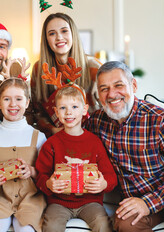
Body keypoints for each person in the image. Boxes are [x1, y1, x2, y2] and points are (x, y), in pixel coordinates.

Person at [86, 61, 164, 232]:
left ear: (133, 85)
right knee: (124, 222)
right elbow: (73, 139)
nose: (112, 94)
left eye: (118, 85)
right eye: (104, 89)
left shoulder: (159, 119)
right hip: (136, 201)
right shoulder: (96, 123)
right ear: (98, 94)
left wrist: (149, 202)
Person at [35, 83, 117, 232]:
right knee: (51, 226)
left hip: (90, 202)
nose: (68, 113)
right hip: (58, 203)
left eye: (74, 107)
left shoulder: (95, 142)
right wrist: (48, 184)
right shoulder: (51, 144)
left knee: (103, 224)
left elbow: (111, 176)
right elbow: (40, 176)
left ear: (84, 110)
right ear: (56, 112)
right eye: (62, 108)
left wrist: (103, 184)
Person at [0, 77, 47, 232]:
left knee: (25, 229)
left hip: (31, 200)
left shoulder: (39, 137)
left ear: (27, 102)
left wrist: (31, 171)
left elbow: (47, 175)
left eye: (18, 99)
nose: (13, 104)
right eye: (7, 99)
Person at [31, 12, 102, 137]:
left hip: (93, 138)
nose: (59, 37)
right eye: (52, 33)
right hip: (57, 138)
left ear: (73, 34)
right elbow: (37, 113)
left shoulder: (94, 67)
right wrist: (53, 130)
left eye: (64, 31)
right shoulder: (39, 69)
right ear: (46, 40)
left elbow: (107, 109)